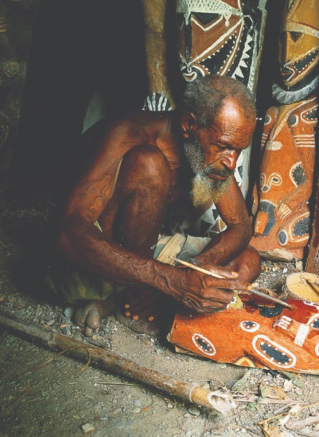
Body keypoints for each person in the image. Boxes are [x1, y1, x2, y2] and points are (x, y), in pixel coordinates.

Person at [51, 75, 261, 336]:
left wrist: (196, 266)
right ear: (188, 124)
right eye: (224, 147)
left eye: (239, 150)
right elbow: (68, 235)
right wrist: (168, 280)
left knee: (248, 261)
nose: (232, 162)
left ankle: (135, 299)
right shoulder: (128, 134)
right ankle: (127, 302)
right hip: (86, 264)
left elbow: (240, 227)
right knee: (149, 165)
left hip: (141, 259)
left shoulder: (210, 155)